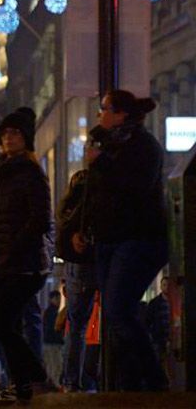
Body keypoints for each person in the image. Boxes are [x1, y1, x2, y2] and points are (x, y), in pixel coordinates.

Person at [76, 90, 168, 391]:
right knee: (115, 314)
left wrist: (101, 163)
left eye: (104, 108)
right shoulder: (106, 145)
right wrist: (83, 227)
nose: (99, 114)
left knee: (119, 310)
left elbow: (135, 188)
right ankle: (129, 383)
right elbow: (94, 193)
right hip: (108, 239)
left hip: (138, 238)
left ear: (121, 114)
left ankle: (153, 380)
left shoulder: (143, 146)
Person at [0, 107, 53, 402]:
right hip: (7, 263)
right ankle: (23, 384)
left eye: (15, 133)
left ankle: (36, 374)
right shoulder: (5, 173)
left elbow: (39, 219)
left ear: (26, 139)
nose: (9, 138)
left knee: (3, 325)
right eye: (5, 133)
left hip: (24, 264)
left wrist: (13, 250)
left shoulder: (30, 173)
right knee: (10, 325)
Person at [56, 165, 98, 392]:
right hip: (100, 259)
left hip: (78, 265)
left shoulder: (70, 207)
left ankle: (71, 381)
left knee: (76, 326)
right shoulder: (100, 199)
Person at [146, 277, 172, 381]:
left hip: (170, 338)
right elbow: (148, 321)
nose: (167, 287)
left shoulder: (174, 302)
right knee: (159, 363)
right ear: (161, 287)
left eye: (168, 285)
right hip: (158, 338)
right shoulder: (155, 303)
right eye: (164, 285)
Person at [42, 291, 64, 388]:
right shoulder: (53, 312)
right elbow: (53, 328)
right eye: (57, 298)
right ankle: (55, 385)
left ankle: (52, 384)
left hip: (50, 342)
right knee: (56, 364)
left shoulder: (50, 312)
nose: (58, 301)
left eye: (59, 298)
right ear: (51, 299)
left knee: (52, 365)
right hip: (52, 343)